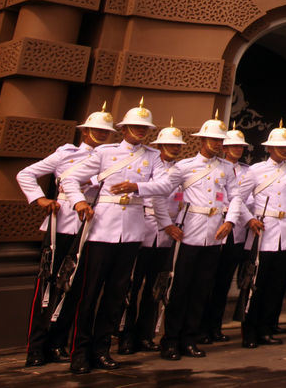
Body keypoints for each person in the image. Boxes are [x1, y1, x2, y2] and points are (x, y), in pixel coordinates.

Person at [124, 113, 246, 361]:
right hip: (188, 232)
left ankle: (190, 339)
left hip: (213, 235)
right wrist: (142, 193)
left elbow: (236, 197)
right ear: (202, 140)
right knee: (179, 289)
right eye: (212, 139)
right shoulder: (185, 166)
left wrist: (231, 220)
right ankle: (170, 341)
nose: (216, 144)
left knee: (201, 289)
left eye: (220, 140)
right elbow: (162, 190)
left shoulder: (226, 168)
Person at [61, 102, 170, 375]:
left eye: (145, 128)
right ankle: (80, 351)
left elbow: (165, 184)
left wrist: (137, 186)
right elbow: (70, 179)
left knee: (115, 295)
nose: (140, 132)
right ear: (123, 129)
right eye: (135, 127)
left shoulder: (153, 156)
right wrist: (78, 204)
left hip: (132, 231)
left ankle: (101, 349)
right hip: (101, 230)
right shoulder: (105, 153)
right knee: (89, 294)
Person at [17, 103, 115, 368]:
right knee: (49, 285)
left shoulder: (111, 157)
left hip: (90, 229)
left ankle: (58, 343)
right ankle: (36, 347)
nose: (102, 134)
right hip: (62, 225)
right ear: (85, 132)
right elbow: (26, 174)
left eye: (106, 131)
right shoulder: (66, 154)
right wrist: (39, 199)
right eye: (96, 130)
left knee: (74, 290)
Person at [238, 124, 286, 348]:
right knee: (256, 284)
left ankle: (267, 328)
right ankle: (250, 331)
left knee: (277, 285)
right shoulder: (256, 170)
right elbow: (238, 198)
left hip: (285, 232)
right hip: (263, 231)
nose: (285, 150)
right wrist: (249, 219)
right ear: (270, 148)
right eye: (280, 146)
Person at [118, 119, 183, 356]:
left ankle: (145, 335)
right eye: (169, 144)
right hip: (144, 228)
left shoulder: (180, 170)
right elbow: (154, 195)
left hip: (166, 237)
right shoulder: (148, 165)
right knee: (132, 286)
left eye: (177, 145)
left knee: (156, 288)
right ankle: (126, 335)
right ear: (159, 145)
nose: (174, 148)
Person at [200, 123, 252, 344]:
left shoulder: (249, 171)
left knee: (223, 281)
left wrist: (245, 216)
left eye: (241, 146)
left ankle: (215, 325)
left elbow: (247, 199)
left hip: (235, 229)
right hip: (212, 228)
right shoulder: (216, 167)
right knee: (206, 280)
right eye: (233, 145)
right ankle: (200, 327)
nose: (238, 149)